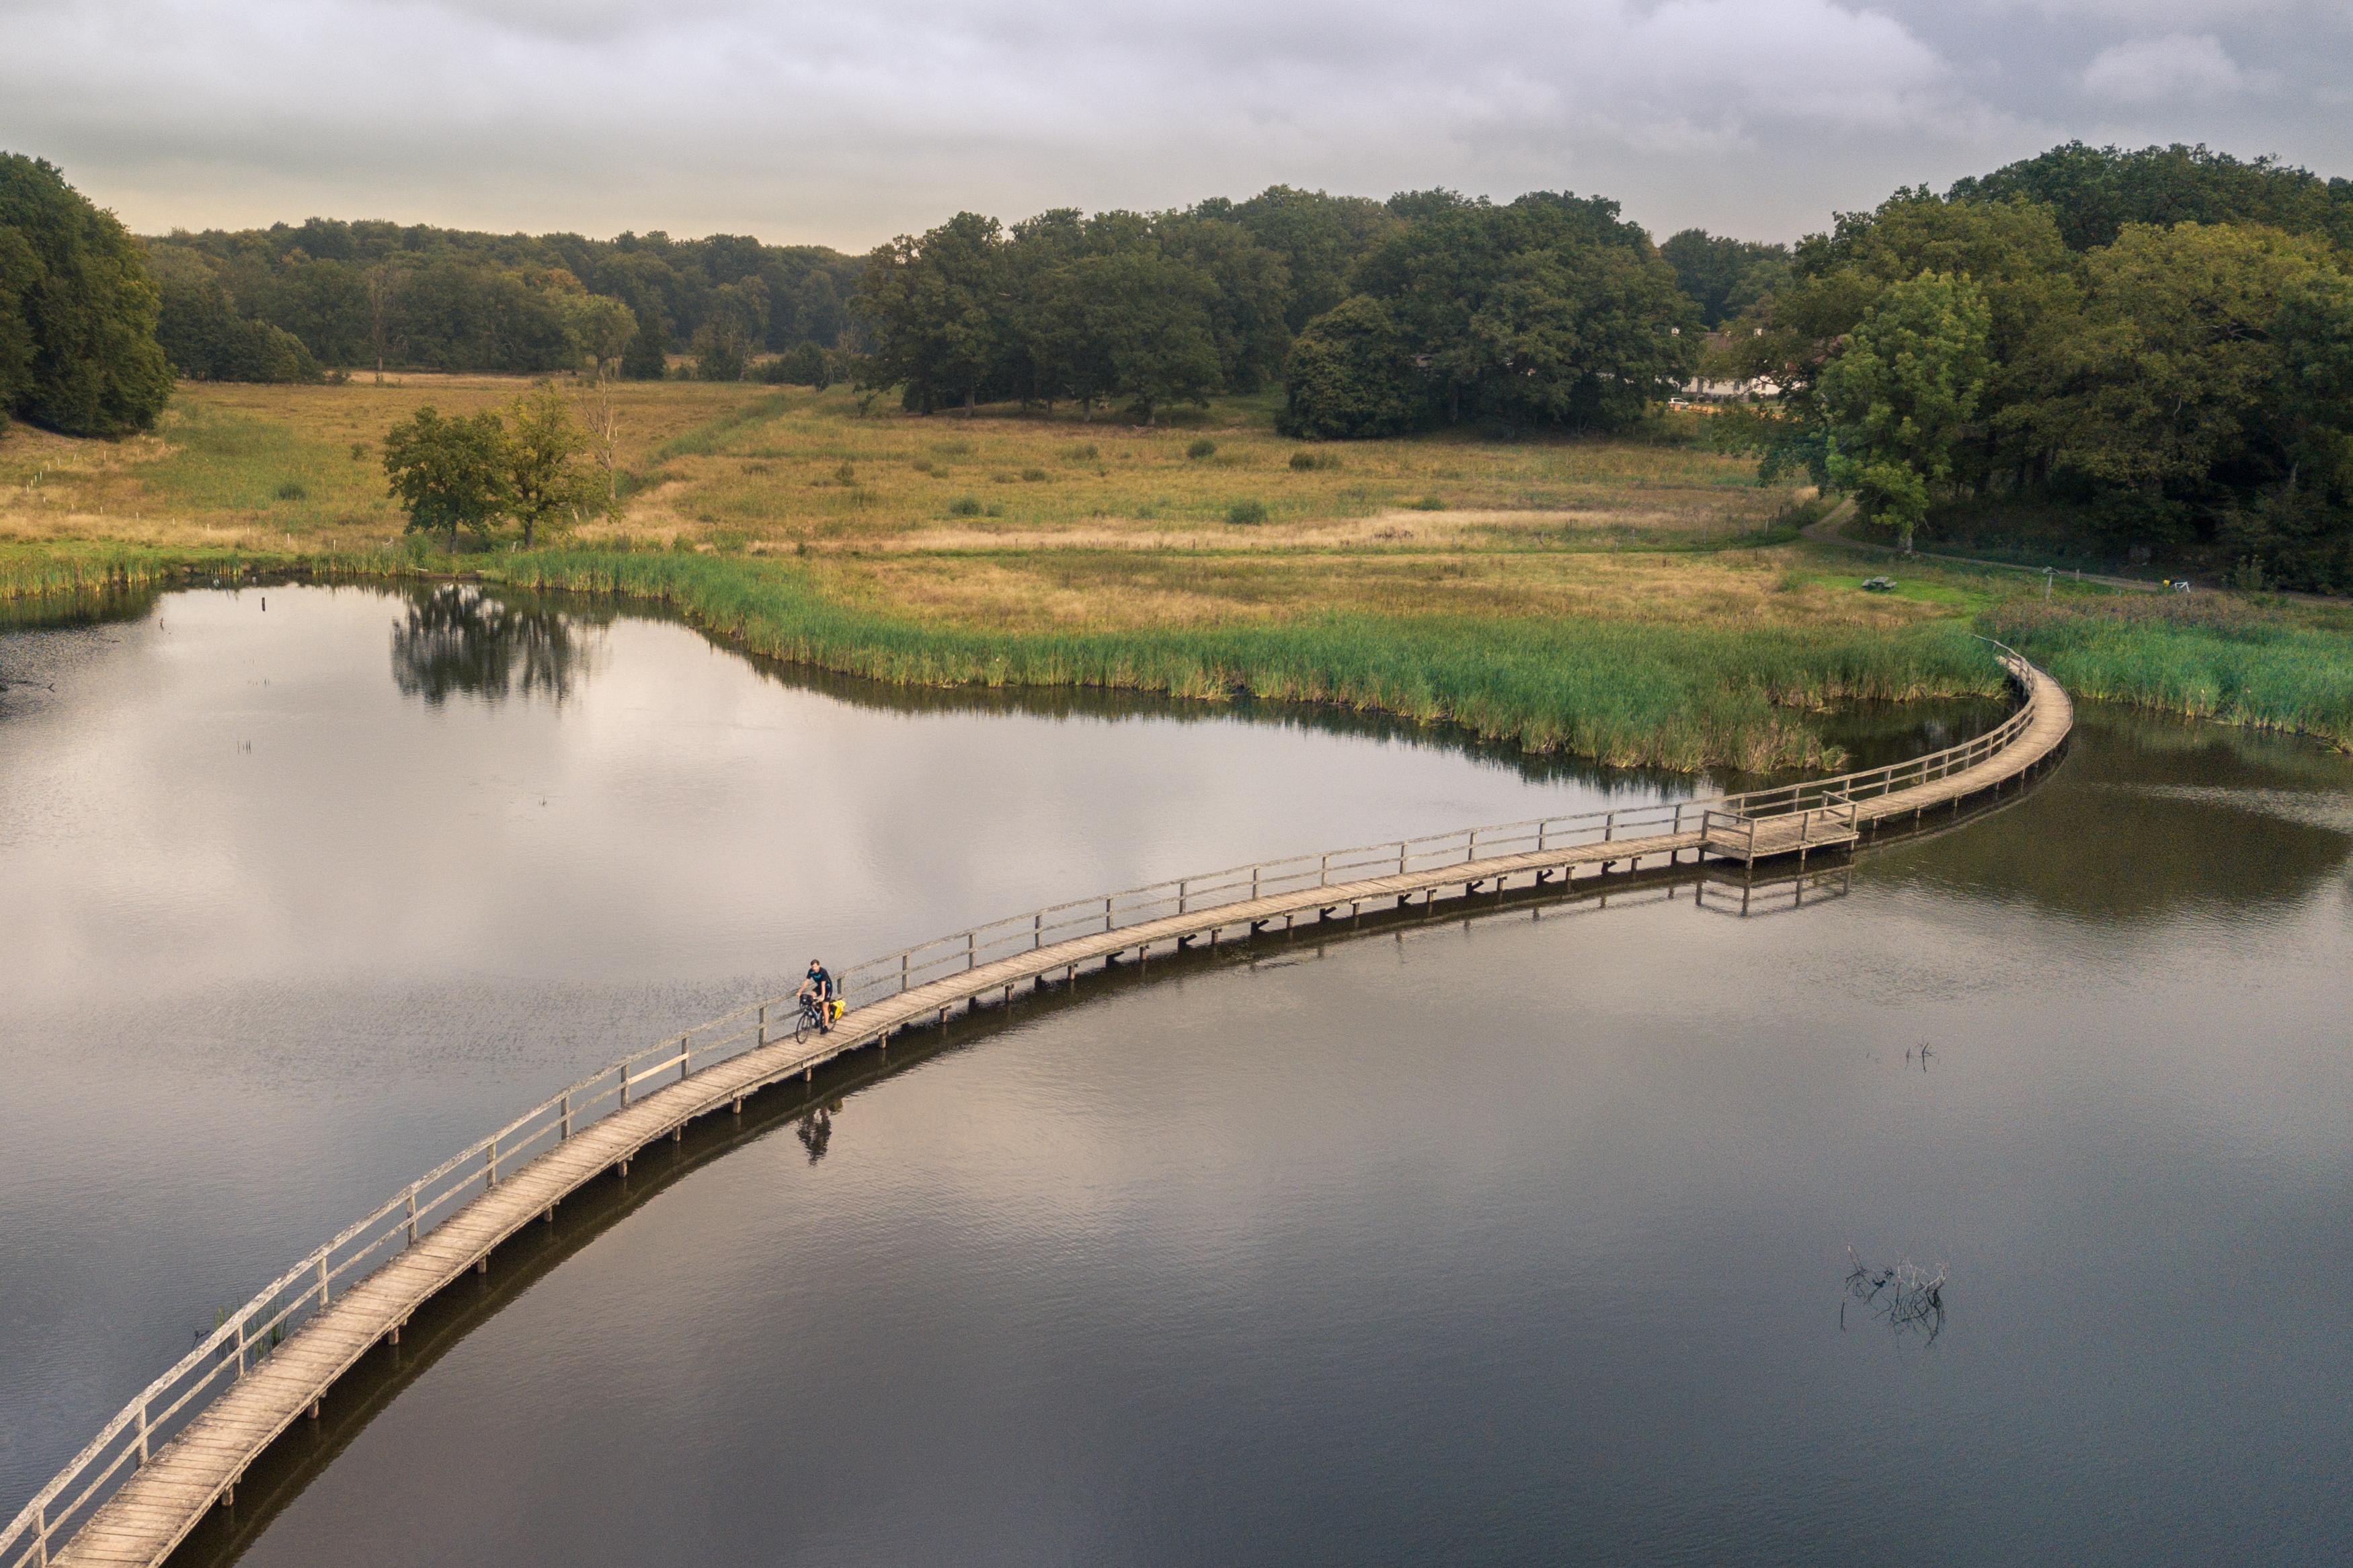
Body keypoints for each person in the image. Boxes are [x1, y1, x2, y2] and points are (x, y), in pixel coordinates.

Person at [797, 958, 834, 1032]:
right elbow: (807, 981)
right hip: (820, 987)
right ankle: (817, 1009)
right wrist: (800, 992)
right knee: (810, 997)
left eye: (815, 967)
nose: (814, 969)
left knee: (824, 1008)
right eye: (813, 967)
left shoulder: (823, 972)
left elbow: (823, 985)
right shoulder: (811, 971)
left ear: (819, 966)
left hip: (827, 989)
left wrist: (823, 997)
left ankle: (825, 1027)